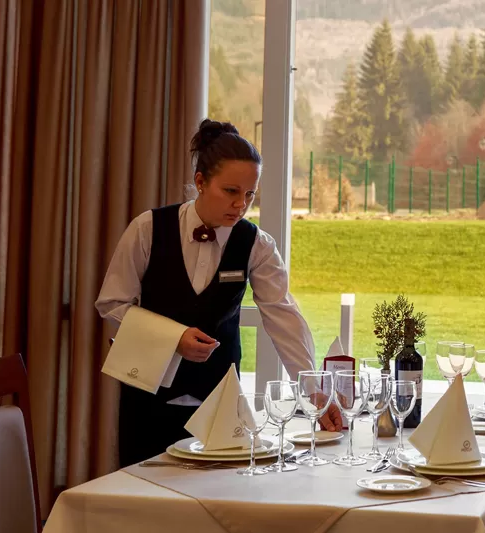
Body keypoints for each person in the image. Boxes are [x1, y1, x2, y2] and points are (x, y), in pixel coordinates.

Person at [96, 119, 342, 467]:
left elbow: (283, 315)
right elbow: (112, 303)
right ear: (200, 182)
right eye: (230, 191)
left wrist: (313, 391)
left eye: (250, 194)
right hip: (147, 401)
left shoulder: (256, 244)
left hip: (221, 411)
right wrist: (173, 338)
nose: (241, 204)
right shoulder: (148, 229)